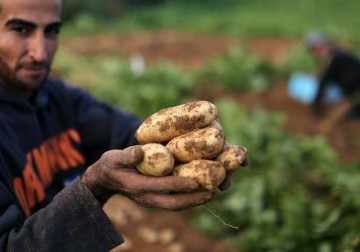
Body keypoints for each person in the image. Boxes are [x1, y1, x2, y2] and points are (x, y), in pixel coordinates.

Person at [0, 0, 248, 251]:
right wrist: (95, 186)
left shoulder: (59, 97)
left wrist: (186, 146)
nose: (40, 53)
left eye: (51, 31)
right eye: (21, 30)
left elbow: (128, 136)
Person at [305, 31, 360, 133]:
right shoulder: (337, 52)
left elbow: (323, 83)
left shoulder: (331, 58)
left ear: (319, 47)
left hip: (354, 91)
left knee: (345, 115)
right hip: (352, 88)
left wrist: (316, 106)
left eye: (313, 50)